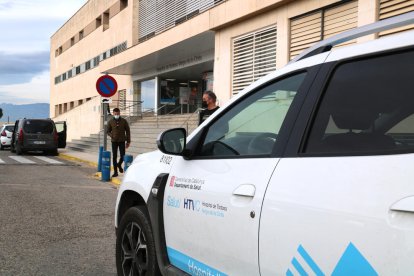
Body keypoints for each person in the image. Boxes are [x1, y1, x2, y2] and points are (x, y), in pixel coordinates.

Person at [107, 108, 131, 177]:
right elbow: (108, 131)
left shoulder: (124, 121)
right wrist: (112, 136)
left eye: (117, 114)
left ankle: (119, 164)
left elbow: (128, 131)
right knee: (114, 157)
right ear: (113, 113)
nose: (116, 115)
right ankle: (115, 172)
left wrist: (128, 141)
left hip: (122, 141)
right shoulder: (110, 121)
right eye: (115, 114)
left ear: (119, 113)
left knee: (122, 156)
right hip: (114, 141)